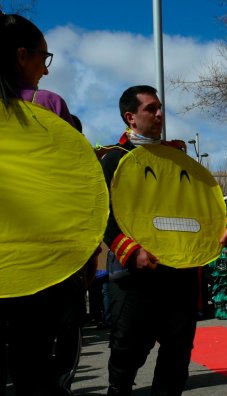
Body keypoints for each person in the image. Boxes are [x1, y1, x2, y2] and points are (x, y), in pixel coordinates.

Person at [100, 85, 227, 395]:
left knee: (177, 353)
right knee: (128, 348)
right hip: (137, 273)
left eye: (160, 107)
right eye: (151, 108)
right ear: (130, 117)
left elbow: (203, 203)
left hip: (181, 273)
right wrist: (130, 251)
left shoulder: (179, 158)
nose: (160, 113)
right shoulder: (113, 161)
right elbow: (102, 215)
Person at [0, 13, 97, 396]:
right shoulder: (47, 104)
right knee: (39, 373)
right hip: (44, 267)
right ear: (22, 55)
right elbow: (78, 185)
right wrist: (86, 255)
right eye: (44, 57)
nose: (46, 68)